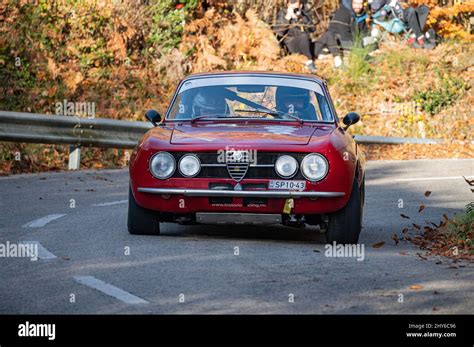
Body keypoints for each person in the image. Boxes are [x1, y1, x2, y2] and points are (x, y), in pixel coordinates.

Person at [313, 0, 370, 68]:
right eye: (355, 3)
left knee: (370, 41)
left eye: (360, 4)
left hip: (352, 39)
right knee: (358, 44)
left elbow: (364, 32)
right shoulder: (343, 13)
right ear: (351, 2)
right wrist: (358, 43)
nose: (358, 6)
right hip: (338, 39)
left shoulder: (361, 14)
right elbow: (345, 35)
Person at [369, 0, 435, 49]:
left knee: (424, 9)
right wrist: (390, 3)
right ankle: (420, 38)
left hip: (403, 12)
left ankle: (414, 36)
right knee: (410, 10)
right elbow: (374, 6)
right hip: (396, 18)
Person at [274, 0, 317, 72]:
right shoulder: (283, 13)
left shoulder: (303, 14)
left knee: (328, 35)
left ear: (300, 6)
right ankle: (309, 61)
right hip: (291, 44)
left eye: (296, 8)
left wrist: (301, 18)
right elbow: (278, 34)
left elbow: (313, 29)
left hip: (305, 45)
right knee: (303, 36)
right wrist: (287, 18)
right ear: (288, 5)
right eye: (292, 8)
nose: (294, 10)